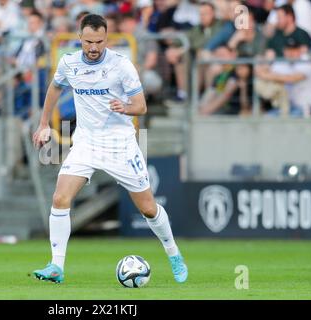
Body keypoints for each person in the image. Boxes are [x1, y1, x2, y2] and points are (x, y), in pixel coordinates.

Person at [31, 14, 188, 284]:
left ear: (107, 39)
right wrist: (44, 123)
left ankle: (173, 253)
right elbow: (55, 88)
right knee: (59, 199)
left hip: (120, 144)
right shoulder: (69, 63)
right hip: (86, 143)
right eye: (88, 42)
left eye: (99, 42)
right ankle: (56, 266)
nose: (93, 48)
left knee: (148, 208)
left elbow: (141, 106)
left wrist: (125, 107)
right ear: (79, 38)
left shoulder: (121, 66)